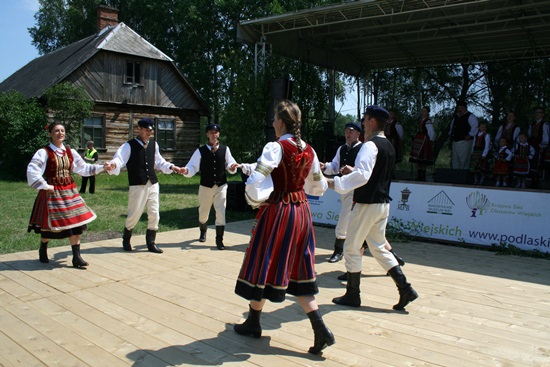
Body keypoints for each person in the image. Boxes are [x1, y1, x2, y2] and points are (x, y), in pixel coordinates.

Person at [233, 100, 334, 355]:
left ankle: (253, 322)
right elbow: (318, 188)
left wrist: (256, 198)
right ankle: (319, 327)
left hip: (279, 211)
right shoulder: (309, 150)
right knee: (299, 270)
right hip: (302, 213)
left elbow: (256, 180)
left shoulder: (275, 147)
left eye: (274, 118)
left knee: (264, 263)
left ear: (280, 121)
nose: (272, 122)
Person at [328, 105, 418, 311]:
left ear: (372, 121)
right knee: (378, 246)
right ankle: (405, 288)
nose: (362, 123)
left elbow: (362, 175)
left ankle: (353, 294)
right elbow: (371, 173)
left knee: (351, 247)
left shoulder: (370, 146)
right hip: (382, 204)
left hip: (367, 204)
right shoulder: (388, 145)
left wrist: (334, 183)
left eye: (365, 119)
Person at [27, 123, 105, 267]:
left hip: (70, 192)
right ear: (50, 133)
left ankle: (76, 257)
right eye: (56, 131)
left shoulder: (70, 152)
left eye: (62, 130)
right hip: (53, 192)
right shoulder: (44, 152)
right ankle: (43, 248)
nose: (60, 133)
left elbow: (83, 168)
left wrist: (102, 167)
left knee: (76, 223)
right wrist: (45, 185)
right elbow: (33, 170)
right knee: (49, 227)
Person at [104, 118, 183, 254]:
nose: (149, 132)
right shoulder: (129, 146)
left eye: (151, 130)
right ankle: (126, 238)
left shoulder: (154, 145)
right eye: (147, 130)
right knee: (134, 214)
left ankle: (151, 243)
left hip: (153, 183)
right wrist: (113, 164)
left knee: (154, 213)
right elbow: (119, 159)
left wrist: (171, 166)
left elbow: (159, 162)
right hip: (137, 184)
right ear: (139, 129)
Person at [180, 123, 239, 250]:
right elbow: (192, 166)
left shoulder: (225, 149)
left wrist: (232, 167)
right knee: (203, 212)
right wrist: (186, 171)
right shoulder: (200, 151)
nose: (214, 134)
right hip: (206, 186)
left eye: (216, 132)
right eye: (211, 132)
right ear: (207, 134)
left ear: (219, 134)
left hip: (221, 185)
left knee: (221, 212)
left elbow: (230, 163)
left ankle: (219, 240)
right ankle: (203, 230)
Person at [320, 121, 363, 263]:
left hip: (357, 190)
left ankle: (338, 250)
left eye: (351, 131)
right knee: (362, 223)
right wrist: (324, 166)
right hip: (344, 189)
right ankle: (390, 255)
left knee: (344, 219)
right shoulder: (342, 149)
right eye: (346, 131)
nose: (348, 134)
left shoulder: (363, 149)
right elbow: (334, 166)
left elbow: (365, 171)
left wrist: (353, 170)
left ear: (358, 133)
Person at [449, 100, 479, 170]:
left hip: (464, 141)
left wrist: (470, 135)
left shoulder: (470, 116)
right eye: (458, 108)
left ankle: (463, 175)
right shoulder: (456, 117)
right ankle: (455, 174)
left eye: (461, 108)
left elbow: (475, 127)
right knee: (455, 159)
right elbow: (452, 127)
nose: (459, 110)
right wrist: (451, 135)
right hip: (455, 141)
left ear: (465, 108)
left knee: (463, 159)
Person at [409, 106, 435, 181]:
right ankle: (418, 174)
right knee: (418, 158)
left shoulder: (427, 121)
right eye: (422, 111)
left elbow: (431, 132)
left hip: (423, 140)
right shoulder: (420, 120)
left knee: (423, 158)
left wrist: (431, 140)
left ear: (427, 112)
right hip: (418, 140)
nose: (423, 113)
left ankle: (422, 175)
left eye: (424, 111)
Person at [527, 107, 549, 188]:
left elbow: (545, 136)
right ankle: (532, 180)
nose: (537, 114)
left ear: (542, 114)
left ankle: (537, 182)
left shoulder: (544, 124)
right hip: (532, 146)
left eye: (539, 112)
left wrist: (542, 146)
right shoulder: (532, 124)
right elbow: (529, 135)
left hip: (539, 146)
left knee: (538, 164)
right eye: (536, 112)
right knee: (532, 164)